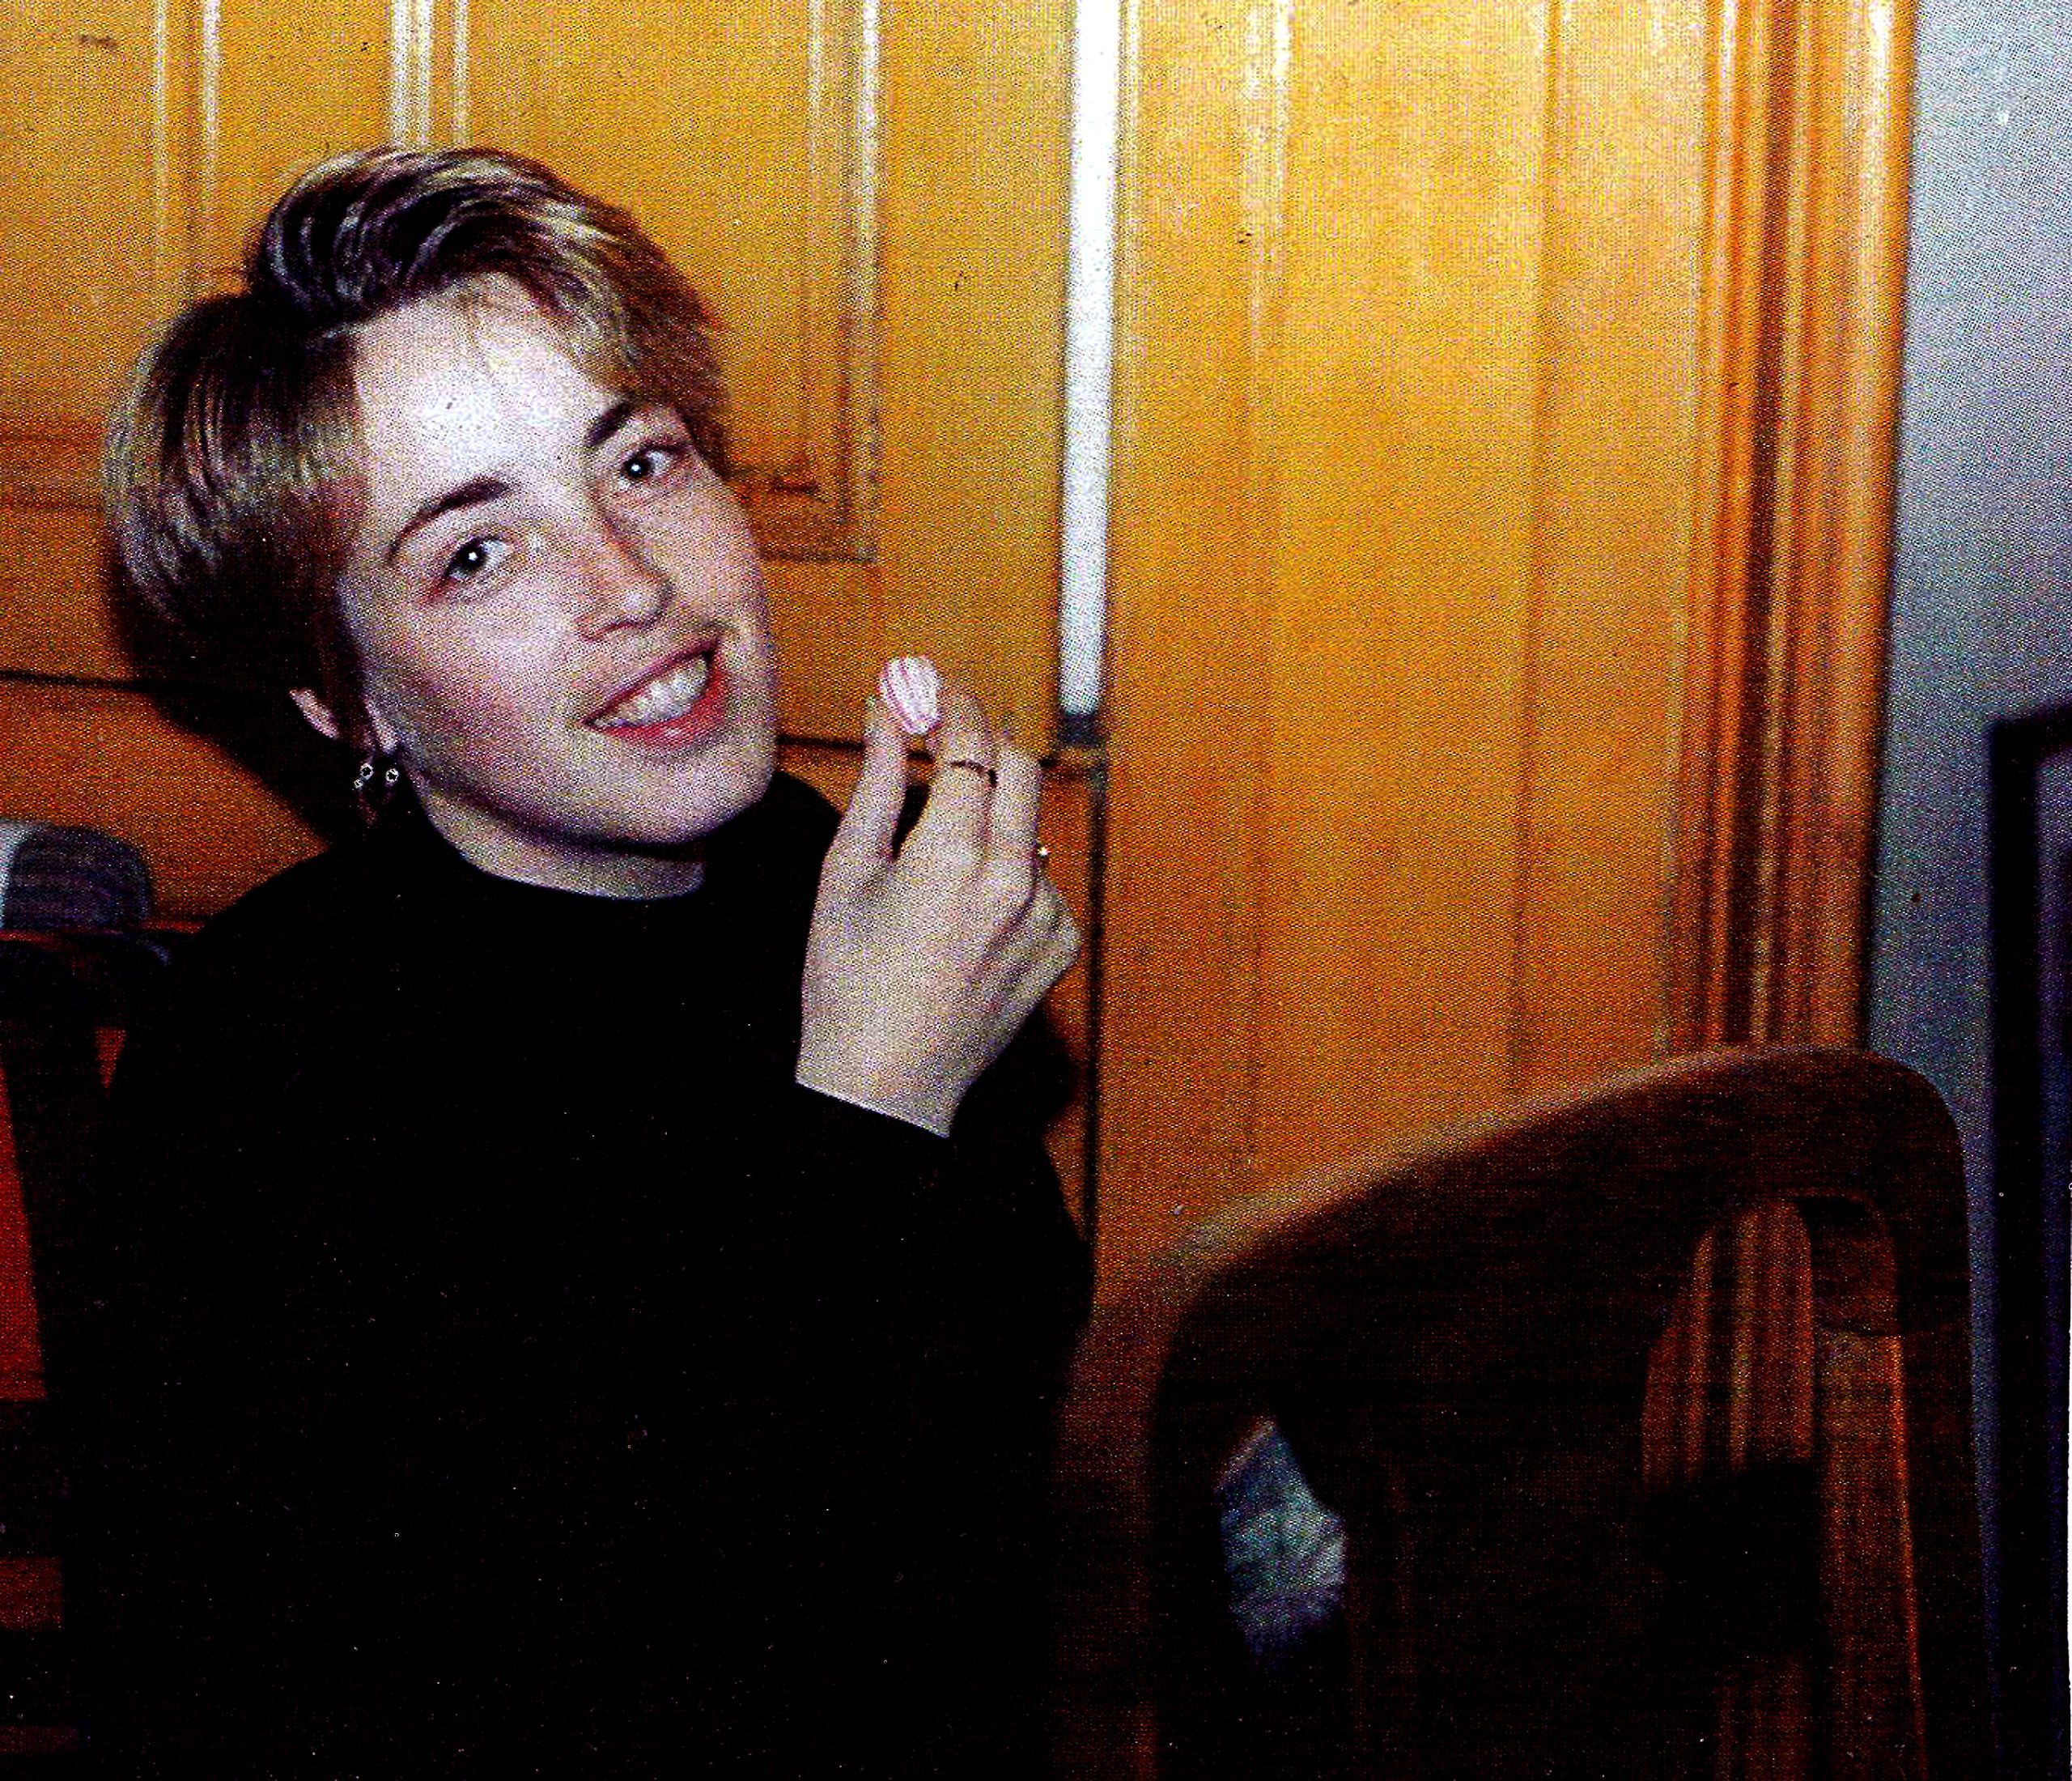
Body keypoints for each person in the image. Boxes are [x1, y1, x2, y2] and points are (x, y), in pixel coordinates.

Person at [53, 147, 1089, 1776]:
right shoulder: (269, 1075)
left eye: (641, 461)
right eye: (476, 551)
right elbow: (590, 1688)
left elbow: (970, 1522)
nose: (632, 583)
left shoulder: (800, 871)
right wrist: (872, 1110)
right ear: (343, 697)